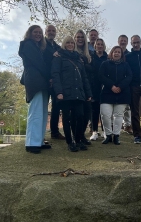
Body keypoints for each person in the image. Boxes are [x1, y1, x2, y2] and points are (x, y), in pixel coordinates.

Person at [51, 36, 92, 152]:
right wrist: (58, 92)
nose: (70, 44)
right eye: (67, 42)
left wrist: (88, 93)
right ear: (64, 44)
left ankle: (78, 140)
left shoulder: (78, 59)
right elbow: (55, 75)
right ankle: (70, 142)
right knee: (67, 118)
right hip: (65, 93)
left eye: (72, 43)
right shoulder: (58, 57)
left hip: (78, 93)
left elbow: (84, 78)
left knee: (80, 117)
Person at [19, 25, 51, 154]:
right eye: (35, 32)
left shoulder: (38, 47)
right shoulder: (28, 45)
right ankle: (31, 143)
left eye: (40, 33)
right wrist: (50, 76)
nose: (38, 34)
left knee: (42, 112)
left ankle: (39, 141)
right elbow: (39, 63)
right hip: (35, 80)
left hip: (41, 82)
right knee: (36, 111)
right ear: (30, 33)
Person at [99, 46, 132, 145]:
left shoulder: (125, 65)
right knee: (105, 115)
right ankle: (108, 135)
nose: (117, 53)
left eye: (119, 52)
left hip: (122, 94)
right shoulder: (105, 64)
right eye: (115, 52)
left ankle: (116, 135)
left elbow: (129, 76)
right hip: (107, 93)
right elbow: (101, 76)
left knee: (118, 116)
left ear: (121, 54)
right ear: (111, 53)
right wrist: (111, 86)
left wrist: (120, 87)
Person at [43, 24, 65, 140]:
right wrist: (48, 78)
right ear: (45, 32)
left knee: (56, 107)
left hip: (56, 82)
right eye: (49, 30)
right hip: (44, 81)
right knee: (42, 107)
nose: (51, 32)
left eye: (53, 31)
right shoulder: (41, 45)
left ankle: (55, 132)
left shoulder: (58, 47)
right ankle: (41, 133)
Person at [74, 29, 94, 145]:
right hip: (76, 87)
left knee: (87, 113)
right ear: (75, 39)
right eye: (78, 37)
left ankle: (82, 135)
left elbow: (93, 70)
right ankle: (77, 137)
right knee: (78, 114)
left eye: (82, 37)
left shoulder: (89, 54)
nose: (80, 39)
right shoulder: (71, 53)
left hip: (87, 87)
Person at [89, 38, 108, 141]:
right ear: (95, 46)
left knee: (104, 111)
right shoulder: (91, 57)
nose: (100, 46)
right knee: (94, 110)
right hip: (93, 86)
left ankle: (105, 131)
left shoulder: (107, 58)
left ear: (103, 46)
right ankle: (95, 131)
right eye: (98, 44)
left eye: (101, 44)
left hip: (105, 87)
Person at [118, 34, 133, 135]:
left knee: (127, 106)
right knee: (115, 105)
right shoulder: (114, 52)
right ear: (118, 41)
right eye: (121, 40)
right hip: (116, 83)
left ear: (127, 42)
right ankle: (115, 126)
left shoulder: (130, 55)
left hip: (127, 83)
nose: (123, 42)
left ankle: (127, 125)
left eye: (124, 41)